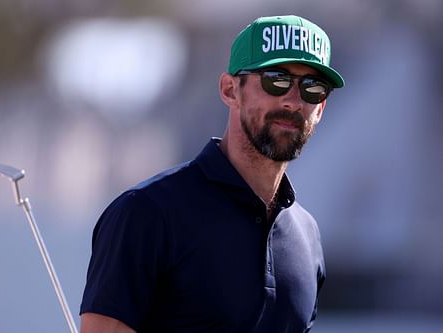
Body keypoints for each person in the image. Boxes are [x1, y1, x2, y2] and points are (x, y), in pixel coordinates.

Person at [80, 15, 344, 333]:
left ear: (322, 107)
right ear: (230, 90)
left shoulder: (307, 235)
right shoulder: (147, 213)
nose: (293, 101)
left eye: (312, 87)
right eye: (277, 79)